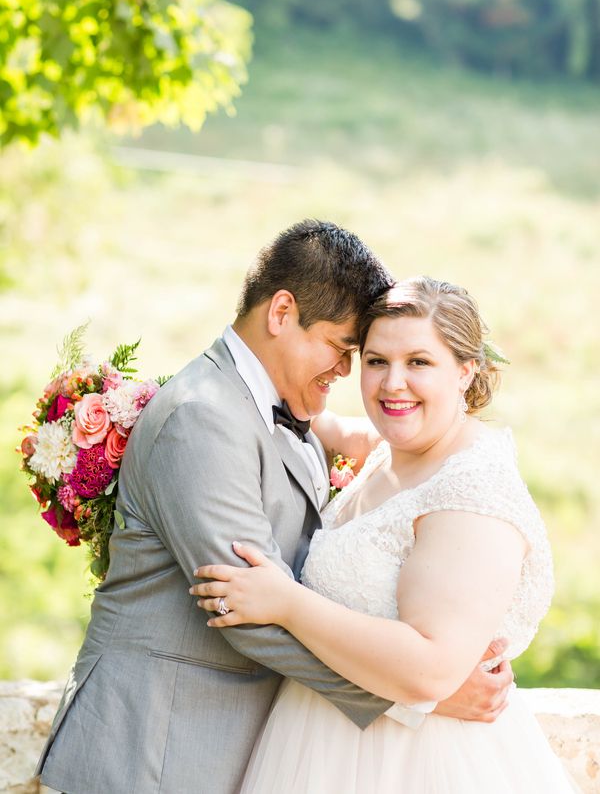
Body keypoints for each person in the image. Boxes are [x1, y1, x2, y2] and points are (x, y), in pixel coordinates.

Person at [38, 226, 512, 794]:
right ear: (282, 312)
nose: (346, 371)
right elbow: (249, 611)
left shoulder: (283, 411)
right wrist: (420, 695)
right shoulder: (204, 417)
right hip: (152, 750)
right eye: (344, 349)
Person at [191, 276, 577, 794]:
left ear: (466, 372)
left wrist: (286, 603)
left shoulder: (472, 493)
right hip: (316, 745)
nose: (393, 384)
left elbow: (431, 670)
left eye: (419, 362)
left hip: (419, 764)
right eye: (376, 361)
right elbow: (305, 414)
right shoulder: (392, 447)